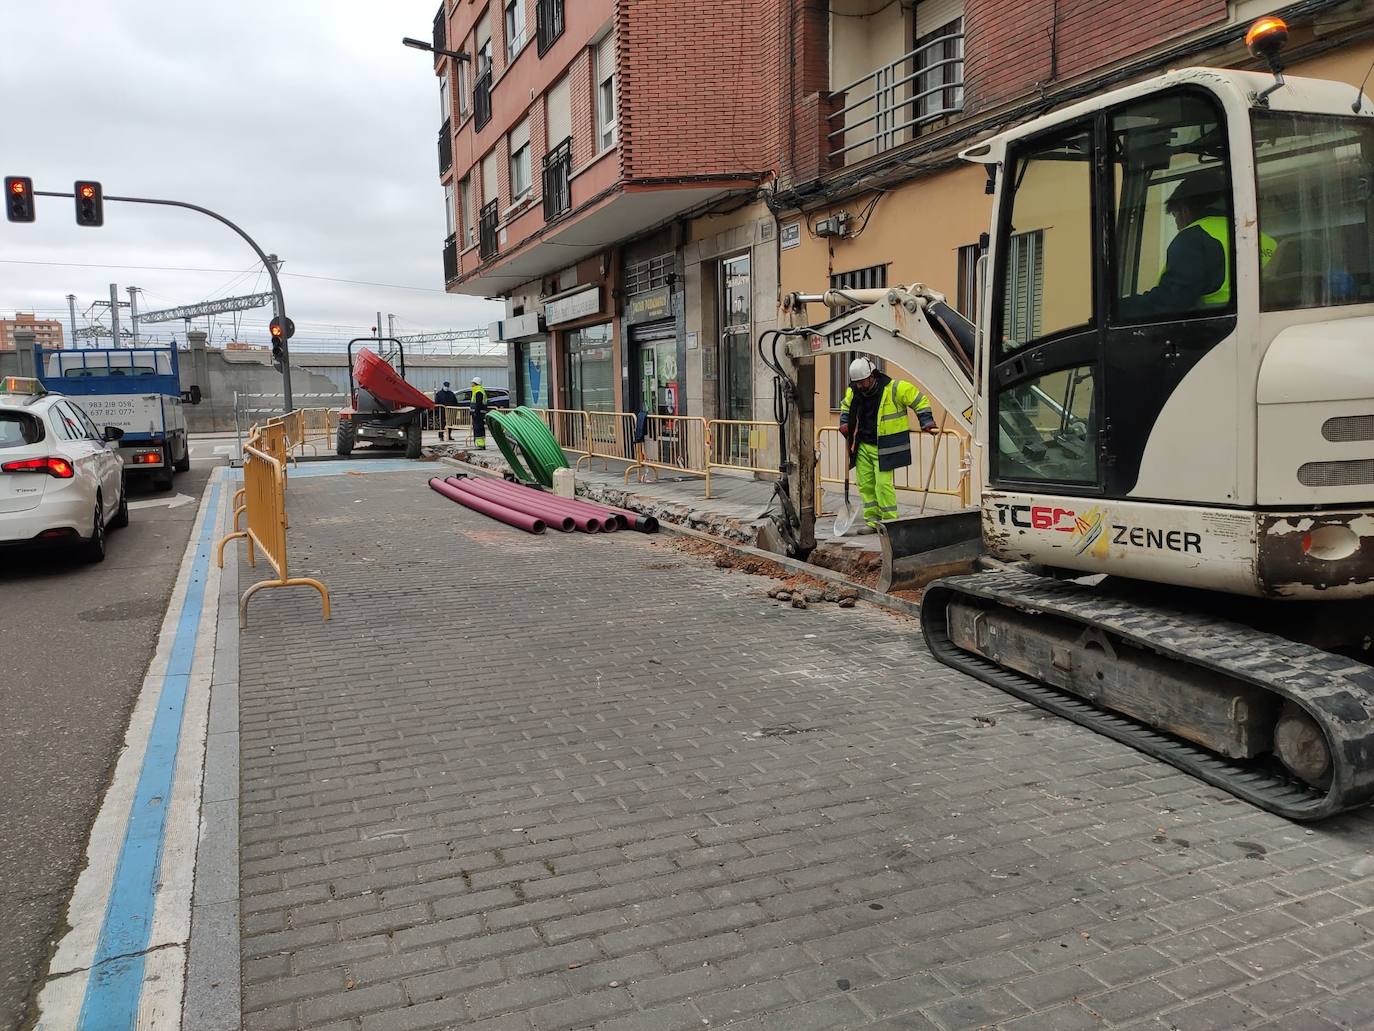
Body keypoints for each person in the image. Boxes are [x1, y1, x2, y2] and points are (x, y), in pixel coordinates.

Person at [1130, 169, 1275, 315]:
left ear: (1184, 209)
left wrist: (1122, 307)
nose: (1177, 225)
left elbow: (1171, 301)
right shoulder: (1264, 239)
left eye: (1174, 214)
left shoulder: (1194, 237)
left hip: (1216, 324)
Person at [839, 356, 938, 532]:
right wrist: (844, 421)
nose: (859, 386)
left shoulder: (894, 388)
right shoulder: (854, 391)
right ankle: (872, 521)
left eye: (862, 382)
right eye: (857, 383)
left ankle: (889, 523)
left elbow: (919, 400)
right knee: (865, 485)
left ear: (872, 376)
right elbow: (846, 406)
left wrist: (926, 421)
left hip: (884, 446)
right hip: (862, 445)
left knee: (883, 485)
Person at [470, 376, 488, 450]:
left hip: (478, 414)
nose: (471, 384)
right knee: (480, 428)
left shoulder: (478, 391)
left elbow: (478, 404)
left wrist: (475, 412)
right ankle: (481, 444)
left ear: (475, 383)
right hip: (480, 413)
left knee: (478, 428)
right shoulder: (478, 390)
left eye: (472, 383)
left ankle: (480, 445)